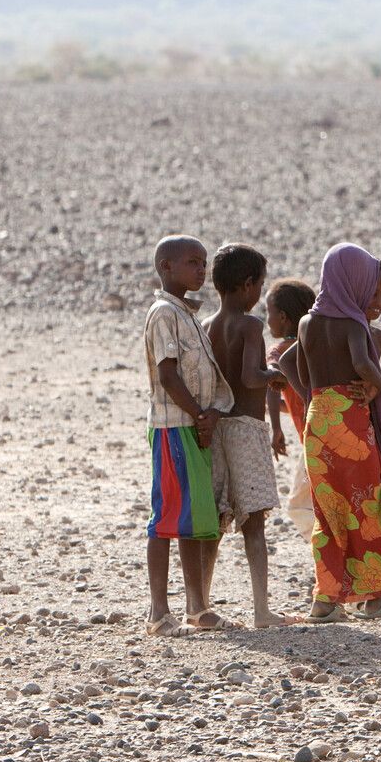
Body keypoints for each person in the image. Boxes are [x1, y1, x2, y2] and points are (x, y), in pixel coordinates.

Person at [294, 243, 381, 622]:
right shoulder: (352, 324)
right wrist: (375, 382)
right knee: (367, 506)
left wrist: (320, 398)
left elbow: (299, 372)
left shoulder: (306, 322)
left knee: (328, 510)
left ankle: (326, 600)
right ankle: (375, 597)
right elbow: (365, 365)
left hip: (317, 419)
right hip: (350, 417)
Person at [206, 243, 301, 629]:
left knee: (215, 521)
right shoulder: (249, 325)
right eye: (260, 284)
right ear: (248, 285)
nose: (261, 293)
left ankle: (202, 602)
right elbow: (249, 377)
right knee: (255, 524)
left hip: (217, 429)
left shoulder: (208, 325)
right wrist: (274, 376)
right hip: (246, 428)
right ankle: (262, 610)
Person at [142, 235, 233, 638]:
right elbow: (167, 374)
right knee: (166, 519)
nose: (202, 270)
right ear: (166, 267)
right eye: (193, 263)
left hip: (194, 425)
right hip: (173, 427)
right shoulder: (164, 312)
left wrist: (208, 413)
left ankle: (198, 607)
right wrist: (198, 414)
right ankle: (159, 612)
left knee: (195, 516)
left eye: (204, 263)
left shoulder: (188, 313)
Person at [265, 277, 317, 540]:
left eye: (268, 313)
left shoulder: (281, 350)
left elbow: (271, 378)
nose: (267, 320)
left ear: (283, 317)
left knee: (299, 507)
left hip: (313, 441)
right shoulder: (317, 343)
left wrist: (275, 427)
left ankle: (330, 555)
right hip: (335, 430)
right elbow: (299, 400)